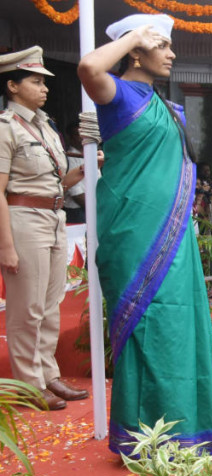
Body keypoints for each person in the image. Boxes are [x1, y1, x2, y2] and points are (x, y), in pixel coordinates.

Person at [78, 13, 212, 455]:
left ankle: (186, 432)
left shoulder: (168, 107)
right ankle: (141, 438)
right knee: (145, 329)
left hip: (175, 235)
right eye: (162, 45)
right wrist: (134, 37)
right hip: (132, 233)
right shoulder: (119, 94)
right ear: (136, 50)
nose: (172, 53)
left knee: (177, 328)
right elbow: (88, 68)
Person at [0, 46, 89, 411]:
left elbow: (55, 183)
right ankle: (28, 384)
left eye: (44, 82)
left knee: (51, 304)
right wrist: (6, 246)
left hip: (53, 219)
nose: (45, 88)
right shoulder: (6, 128)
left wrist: (82, 170)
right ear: (13, 86)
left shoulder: (47, 126)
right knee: (28, 308)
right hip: (23, 221)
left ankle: (48, 374)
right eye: (35, 81)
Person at [62, 119, 88, 224]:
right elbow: (76, 193)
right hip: (77, 211)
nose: (81, 138)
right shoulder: (70, 158)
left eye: (83, 134)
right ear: (70, 137)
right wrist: (95, 208)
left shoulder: (92, 154)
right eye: (77, 134)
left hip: (92, 207)